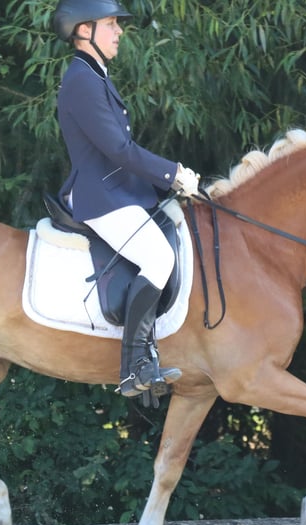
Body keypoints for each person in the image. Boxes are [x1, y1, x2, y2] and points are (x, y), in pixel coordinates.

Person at [52, 0, 201, 398]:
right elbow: (119, 149)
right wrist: (173, 174)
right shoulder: (82, 80)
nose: (119, 32)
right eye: (111, 24)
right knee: (159, 258)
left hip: (119, 189)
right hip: (101, 196)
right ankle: (134, 366)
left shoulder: (95, 75)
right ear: (84, 31)